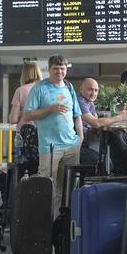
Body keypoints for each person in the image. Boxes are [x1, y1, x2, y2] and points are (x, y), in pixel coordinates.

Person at [24, 55, 83, 219]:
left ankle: (62, 224)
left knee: (67, 188)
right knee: (47, 188)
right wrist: (50, 109)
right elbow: (28, 115)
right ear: (49, 70)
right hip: (49, 147)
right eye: (56, 69)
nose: (59, 72)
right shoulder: (39, 88)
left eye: (62, 68)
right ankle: (44, 226)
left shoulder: (69, 87)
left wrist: (80, 138)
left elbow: (77, 115)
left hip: (71, 145)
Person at [78, 78, 127, 164]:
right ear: (81, 89)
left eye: (96, 90)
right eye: (90, 89)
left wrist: (98, 129)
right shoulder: (79, 101)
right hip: (75, 148)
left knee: (111, 160)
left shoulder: (90, 103)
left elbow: (96, 125)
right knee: (107, 164)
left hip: (83, 146)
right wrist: (119, 117)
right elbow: (96, 123)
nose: (93, 93)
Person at [9, 62, 42, 162]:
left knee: (20, 169)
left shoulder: (20, 90)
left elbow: (13, 119)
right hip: (41, 135)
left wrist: (20, 113)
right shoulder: (43, 89)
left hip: (23, 137)